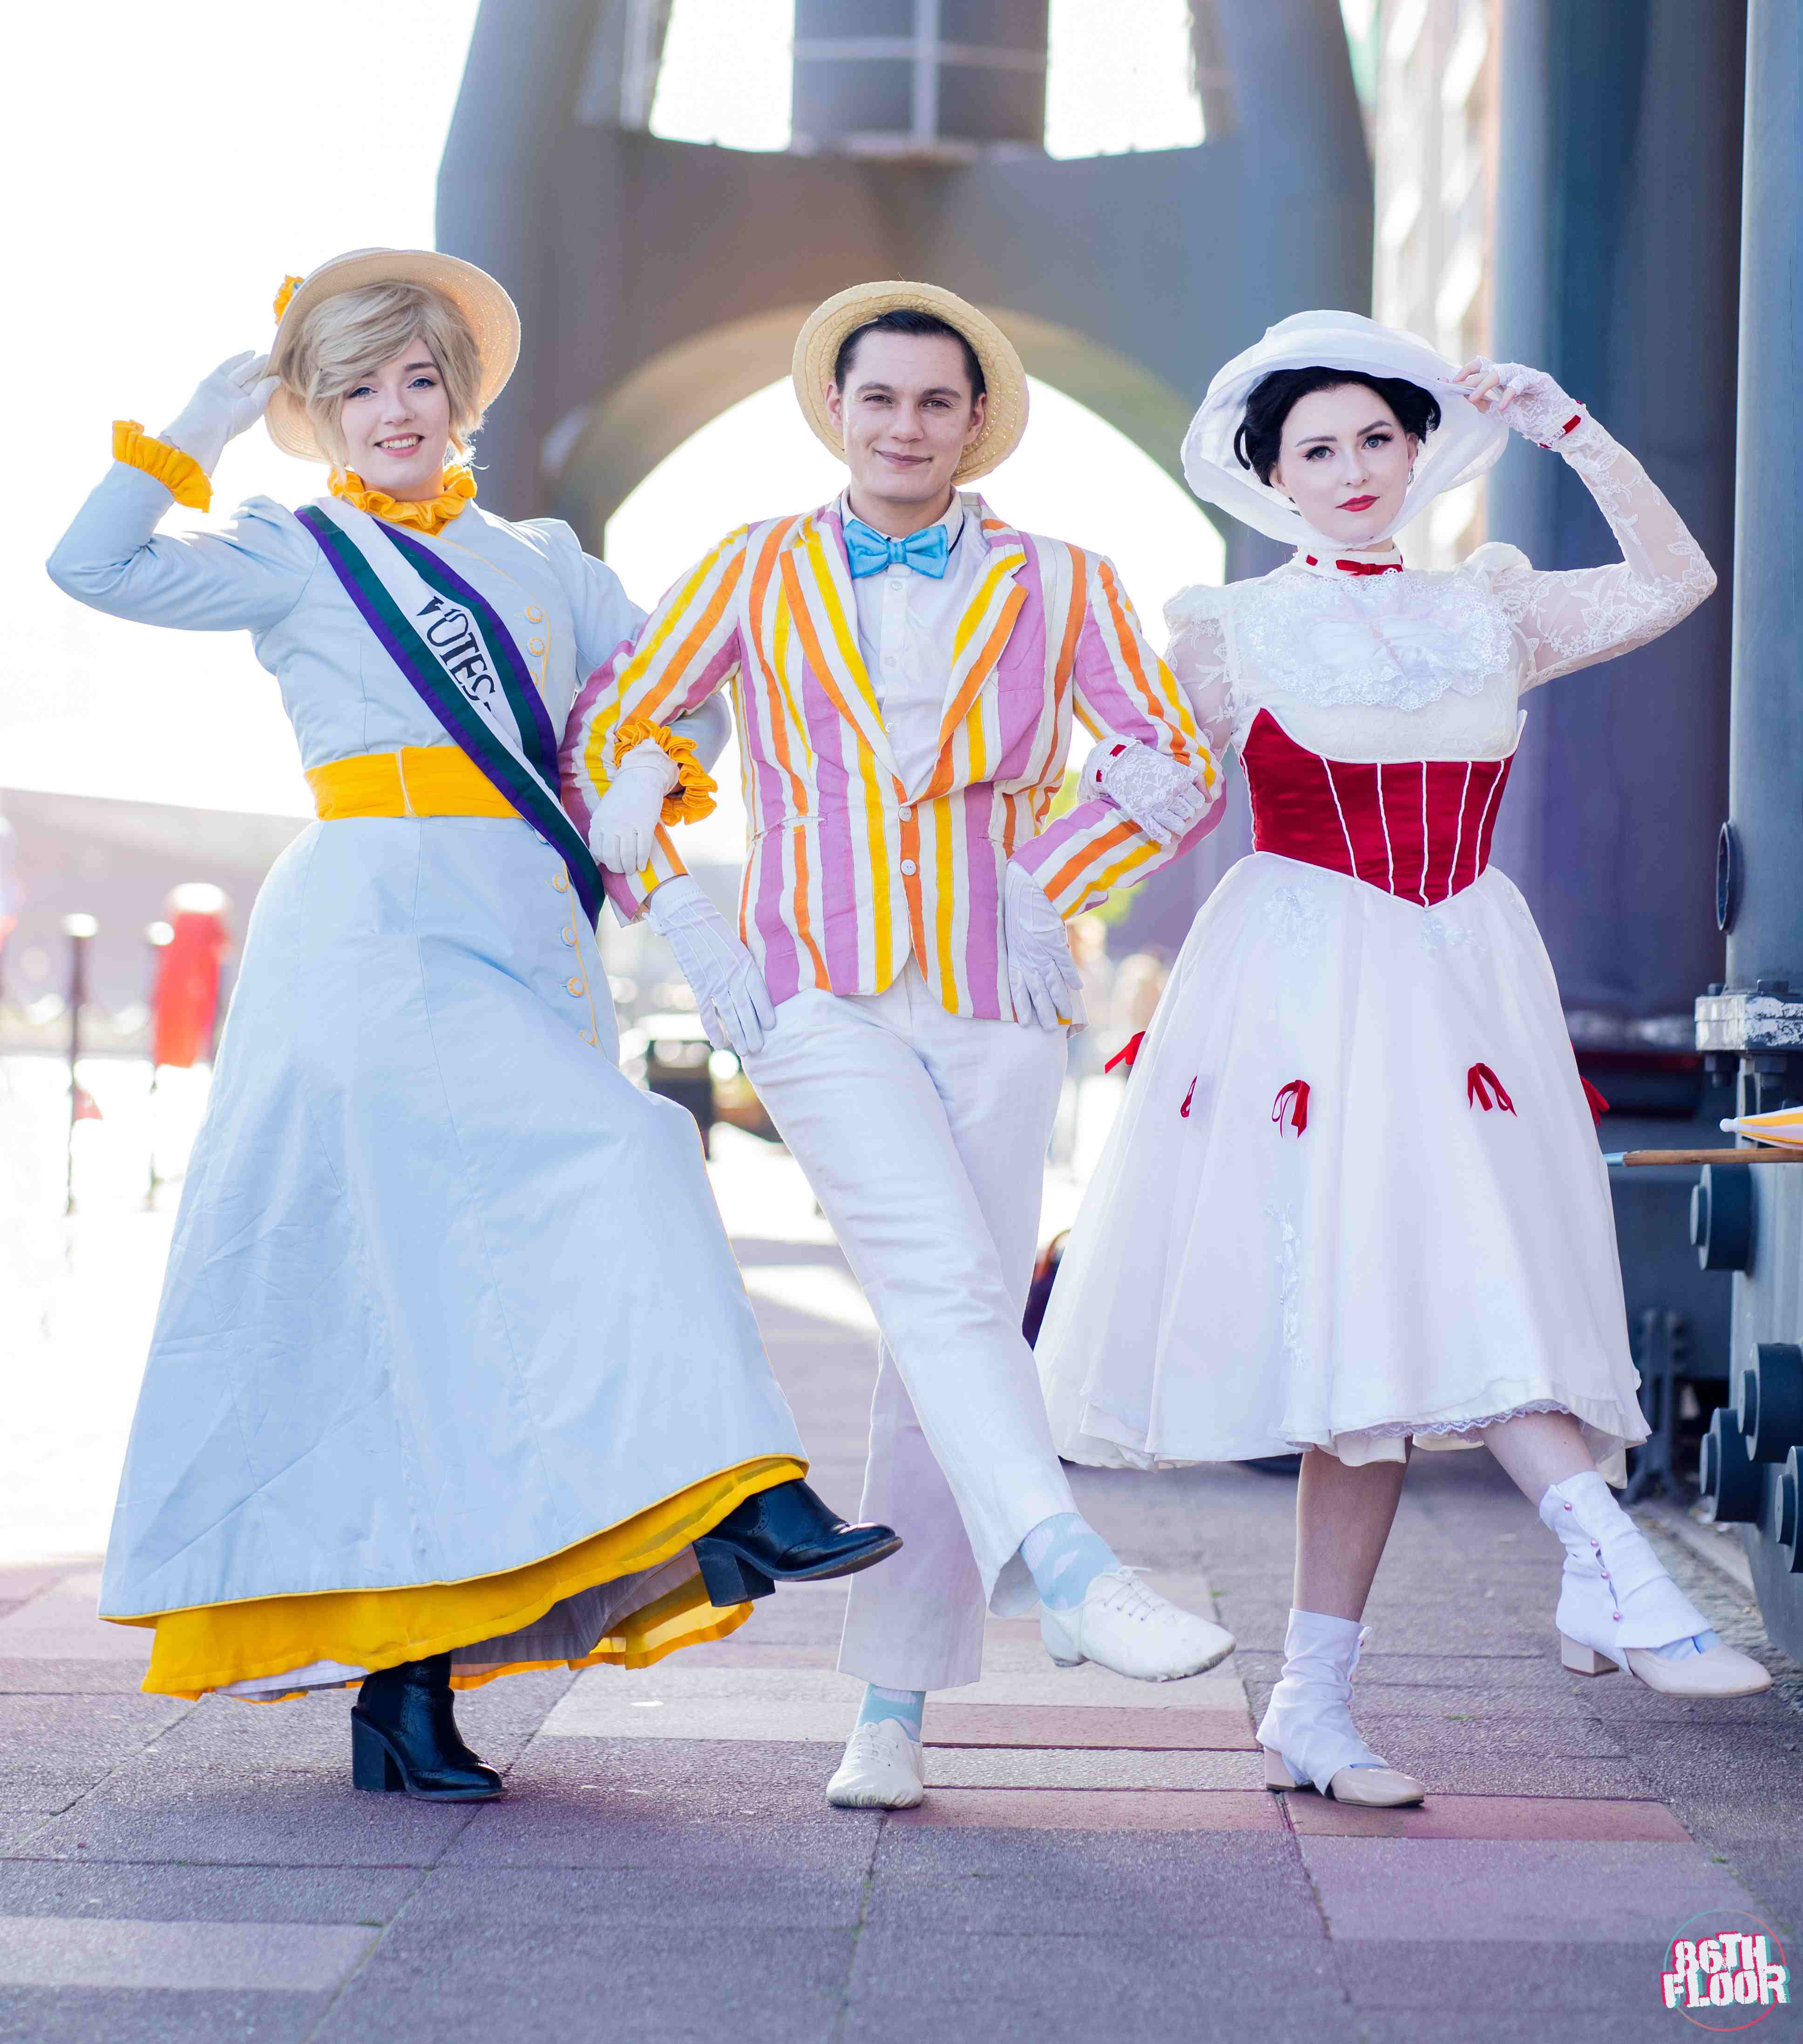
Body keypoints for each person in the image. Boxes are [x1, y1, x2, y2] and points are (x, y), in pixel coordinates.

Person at [47, 247, 894, 1802]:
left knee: (423, 1314)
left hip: (524, 931)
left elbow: (684, 684)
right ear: (315, 411)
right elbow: (89, 569)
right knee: (631, 1152)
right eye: (354, 386)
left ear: (461, 397)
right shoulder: (289, 549)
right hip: (369, 939)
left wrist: (653, 761)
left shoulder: (547, 563)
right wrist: (192, 424)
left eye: (417, 380)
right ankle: (745, 1491)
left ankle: (407, 1696)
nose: (391, 411)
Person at [1037, 308, 1769, 1813]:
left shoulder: (1490, 608)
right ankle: (1604, 1562)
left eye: (1379, 436)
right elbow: (1151, 797)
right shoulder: (1226, 631)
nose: (1355, 466)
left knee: (1418, 1309)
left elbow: (1680, 577)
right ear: (1273, 476)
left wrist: (1576, 433)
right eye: (1319, 448)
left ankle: (1348, 1686)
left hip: (1466, 981)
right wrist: (1054, 858)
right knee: (1363, 1353)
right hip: (1311, 988)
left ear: (1421, 448)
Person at [561, 282, 1235, 1815]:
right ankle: (1066, 1560)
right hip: (812, 994)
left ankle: (890, 1705)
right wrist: (689, 916)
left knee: (960, 1329)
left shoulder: (1064, 580)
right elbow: (620, 739)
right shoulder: (751, 570)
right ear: (838, 410)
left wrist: (1047, 882)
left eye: (939, 402)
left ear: (977, 420)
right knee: (939, 1289)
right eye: (882, 400)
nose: (908, 427)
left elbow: (1173, 762)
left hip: (1000, 1003)